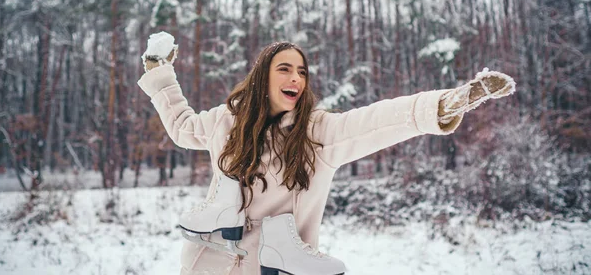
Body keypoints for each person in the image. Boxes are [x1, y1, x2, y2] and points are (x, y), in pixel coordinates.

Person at [137, 36, 515, 275]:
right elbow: (183, 126)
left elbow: (375, 122)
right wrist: (161, 75)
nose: (296, 79)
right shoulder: (226, 121)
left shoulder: (317, 133)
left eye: (301, 72)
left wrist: (443, 105)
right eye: (284, 69)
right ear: (261, 77)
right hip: (206, 265)